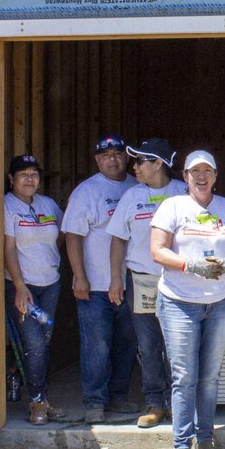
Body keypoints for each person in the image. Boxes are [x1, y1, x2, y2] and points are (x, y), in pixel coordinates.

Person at [151, 151, 225, 449]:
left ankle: (204, 440)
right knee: (184, 377)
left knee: (209, 377)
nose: (202, 177)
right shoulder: (173, 207)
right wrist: (189, 265)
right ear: (185, 175)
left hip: (220, 302)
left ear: (216, 175)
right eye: (196, 172)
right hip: (179, 301)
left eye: (208, 170)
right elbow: (157, 250)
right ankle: (181, 445)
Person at [108, 138, 185, 429]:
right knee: (148, 344)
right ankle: (155, 402)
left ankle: (179, 403)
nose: (135, 167)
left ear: (158, 164)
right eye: (135, 161)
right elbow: (118, 239)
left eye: (141, 161)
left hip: (178, 279)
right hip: (140, 279)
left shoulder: (182, 193)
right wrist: (116, 278)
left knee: (177, 343)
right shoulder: (131, 197)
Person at [61, 134, 138, 424]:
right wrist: (79, 277)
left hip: (130, 283)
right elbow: (73, 236)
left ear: (127, 158)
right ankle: (95, 401)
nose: (113, 158)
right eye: (106, 154)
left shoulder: (136, 187)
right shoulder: (87, 191)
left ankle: (118, 397)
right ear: (97, 159)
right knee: (97, 344)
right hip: (95, 285)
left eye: (118, 153)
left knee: (127, 342)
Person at [3, 153, 66, 425]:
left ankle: (43, 399)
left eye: (34, 174)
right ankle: (37, 403)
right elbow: (7, 249)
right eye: (23, 174)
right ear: (11, 179)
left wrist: (50, 260)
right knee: (35, 343)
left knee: (44, 342)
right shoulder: (6, 206)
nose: (29, 179)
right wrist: (19, 285)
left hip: (50, 284)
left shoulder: (48, 204)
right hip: (22, 287)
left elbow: (63, 234)